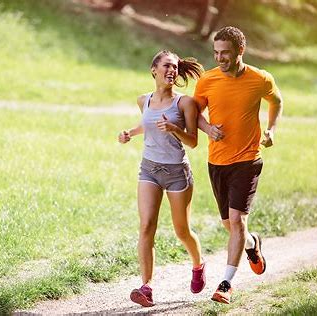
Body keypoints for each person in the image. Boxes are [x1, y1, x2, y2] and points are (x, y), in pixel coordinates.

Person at [193, 26, 283, 304]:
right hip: (217, 160)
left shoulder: (260, 78)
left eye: (226, 53)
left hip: (248, 159)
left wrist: (272, 130)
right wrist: (208, 128)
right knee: (229, 225)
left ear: (240, 51)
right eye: (216, 53)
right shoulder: (207, 81)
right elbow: (194, 114)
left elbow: (276, 102)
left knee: (236, 220)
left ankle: (226, 284)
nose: (220, 58)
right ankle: (252, 244)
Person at [118, 50, 206, 307]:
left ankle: (198, 264)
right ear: (154, 69)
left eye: (176, 67)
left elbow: (193, 142)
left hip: (177, 172)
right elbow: (149, 123)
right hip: (149, 169)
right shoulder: (143, 100)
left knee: (182, 231)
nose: (172, 71)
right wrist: (130, 133)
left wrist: (175, 129)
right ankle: (146, 287)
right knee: (146, 226)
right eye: (167, 66)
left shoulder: (184, 103)